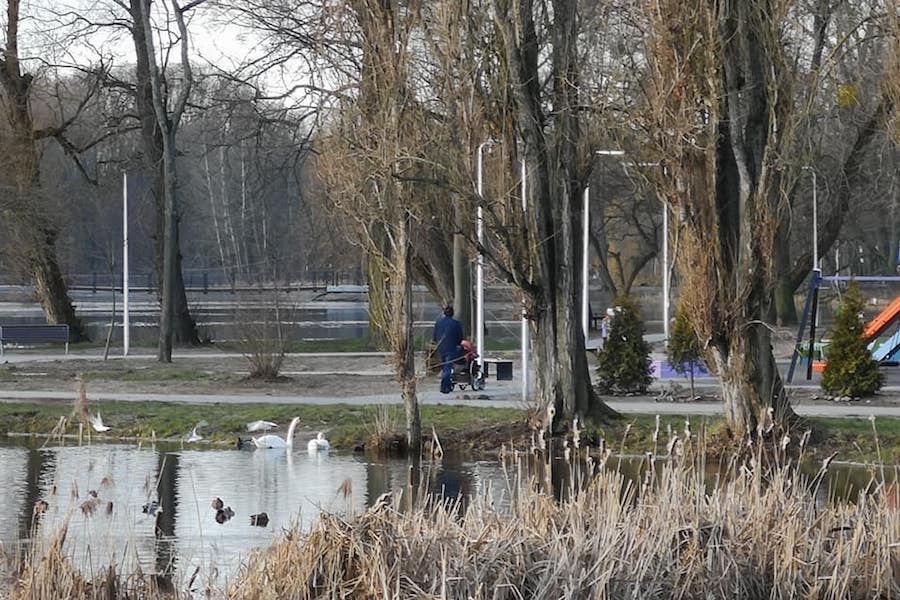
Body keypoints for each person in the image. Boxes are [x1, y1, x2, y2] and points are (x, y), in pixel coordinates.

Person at [433, 305, 464, 393]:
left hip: (441, 347)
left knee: (445, 366)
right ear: (452, 313)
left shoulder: (438, 323)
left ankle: (445, 385)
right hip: (451, 348)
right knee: (447, 367)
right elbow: (460, 338)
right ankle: (445, 387)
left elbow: (435, 336)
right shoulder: (456, 324)